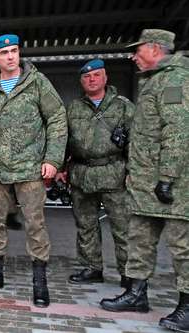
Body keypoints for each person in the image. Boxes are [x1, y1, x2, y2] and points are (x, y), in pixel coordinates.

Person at [99, 29, 189, 332]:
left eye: (138, 51)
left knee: (183, 247)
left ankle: (187, 307)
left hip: (173, 186)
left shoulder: (175, 79)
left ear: (154, 48)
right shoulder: (154, 81)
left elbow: (178, 133)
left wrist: (167, 178)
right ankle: (136, 294)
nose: (133, 56)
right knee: (140, 239)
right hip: (145, 184)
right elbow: (151, 129)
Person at [0, 34, 68, 307]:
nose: (11, 56)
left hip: (30, 170)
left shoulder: (37, 82)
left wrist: (53, 159)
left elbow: (57, 118)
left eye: (15, 51)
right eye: (5, 53)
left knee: (35, 225)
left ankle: (39, 281)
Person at [56, 59, 134, 288]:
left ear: (105, 78)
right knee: (86, 225)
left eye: (96, 75)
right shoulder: (73, 108)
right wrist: (61, 168)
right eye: (87, 77)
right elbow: (64, 140)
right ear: (81, 81)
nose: (92, 80)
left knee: (123, 227)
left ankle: (129, 274)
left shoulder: (123, 106)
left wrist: (133, 171)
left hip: (114, 173)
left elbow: (137, 142)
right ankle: (92, 268)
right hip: (81, 173)